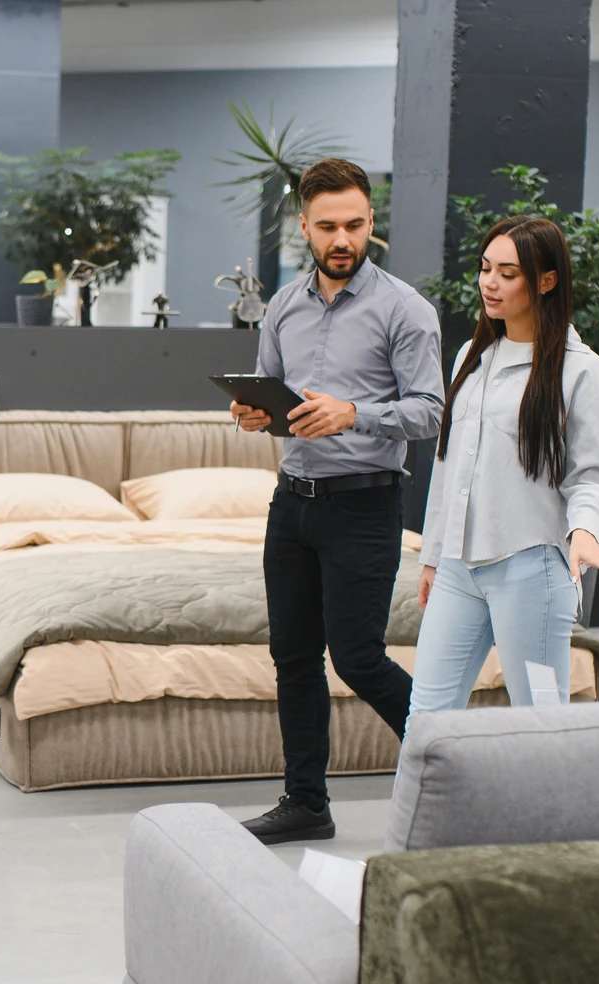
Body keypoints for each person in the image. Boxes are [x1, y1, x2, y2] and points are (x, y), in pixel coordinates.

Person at [230, 159, 444, 845]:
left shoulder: (405, 310)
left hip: (364, 506)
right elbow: (271, 393)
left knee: (357, 657)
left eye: (354, 224)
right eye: (327, 227)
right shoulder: (283, 307)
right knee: (294, 657)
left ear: (371, 222)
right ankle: (306, 802)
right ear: (304, 227)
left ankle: (464, 763)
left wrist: (354, 413)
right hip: (292, 506)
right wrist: (254, 413)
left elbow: (430, 411)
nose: (342, 238)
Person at [410, 215, 599, 717]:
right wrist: (434, 555)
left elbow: (592, 476)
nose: (489, 283)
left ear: (547, 280)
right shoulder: (470, 357)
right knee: (426, 717)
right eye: (485, 268)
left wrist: (586, 533)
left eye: (507, 274)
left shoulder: (581, 371)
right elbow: (448, 465)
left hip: (532, 571)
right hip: (458, 569)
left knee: (541, 719)